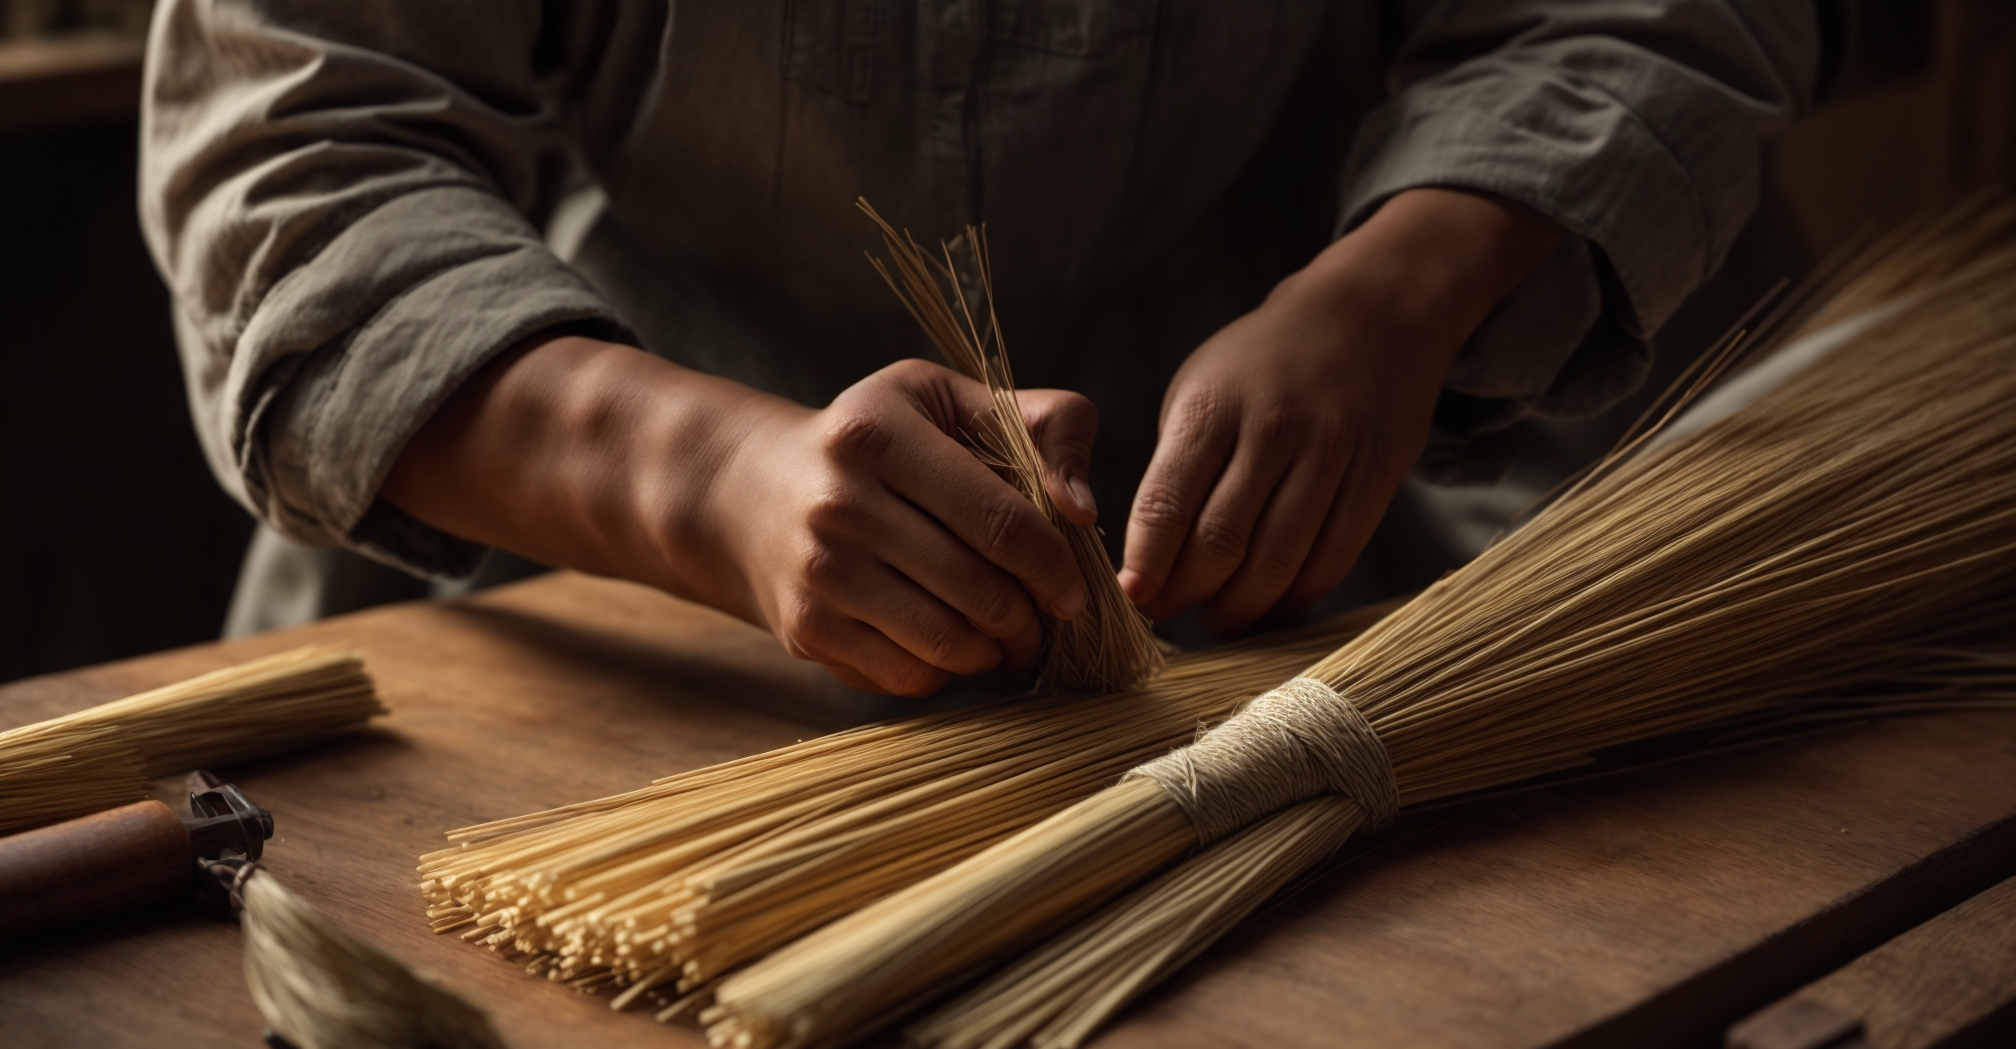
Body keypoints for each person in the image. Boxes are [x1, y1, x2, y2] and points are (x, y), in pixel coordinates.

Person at [141, 1, 1829, 697]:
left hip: (1306, 609)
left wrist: (1391, 297)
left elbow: (1642, 11)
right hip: (588, 579)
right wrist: (709, 477)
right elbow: (301, 155)